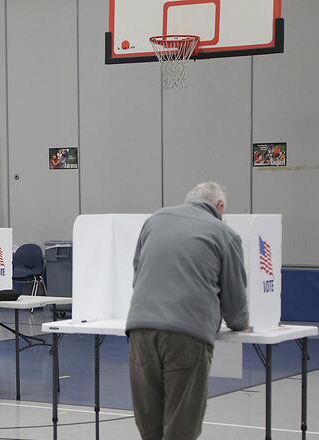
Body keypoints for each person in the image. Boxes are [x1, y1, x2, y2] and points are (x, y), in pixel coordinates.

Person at [126, 181, 248, 440]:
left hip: (140, 329)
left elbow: (138, 274)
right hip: (187, 333)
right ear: (220, 205)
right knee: (181, 425)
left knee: (150, 425)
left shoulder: (154, 220)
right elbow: (235, 303)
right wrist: (239, 323)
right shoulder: (225, 234)